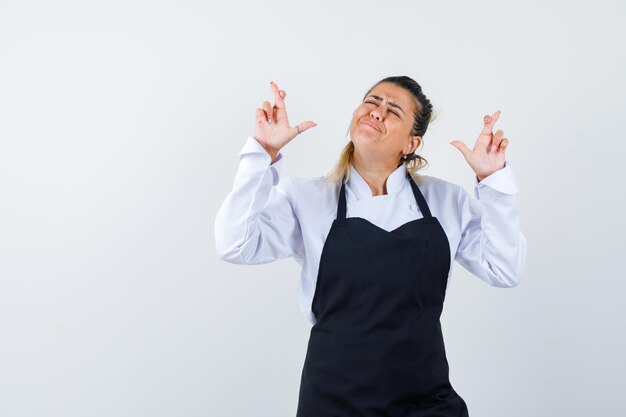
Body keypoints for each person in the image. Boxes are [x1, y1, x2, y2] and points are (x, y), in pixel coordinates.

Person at [214, 76, 527, 416]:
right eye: (372, 101)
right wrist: (261, 153)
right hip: (333, 402)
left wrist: (493, 182)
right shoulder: (306, 198)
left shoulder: (446, 200)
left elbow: (505, 269)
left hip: (427, 403)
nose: (377, 111)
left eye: (393, 110)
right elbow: (235, 244)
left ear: (412, 143)